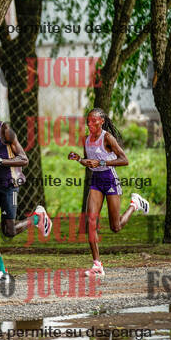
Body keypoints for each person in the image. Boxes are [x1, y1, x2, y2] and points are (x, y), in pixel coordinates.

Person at [0, 97, 52, 283]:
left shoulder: (5, 131)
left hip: (9, 186)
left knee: (9, 231)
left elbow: (24, 159)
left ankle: (37, 218)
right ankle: (1, 272)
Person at [68, 107, 149, 277]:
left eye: (94, 121)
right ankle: (97, 265)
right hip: (96, 181)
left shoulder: (107, 138)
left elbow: (124, 160)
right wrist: (79, 159)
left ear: (102, 121)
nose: (90, 124)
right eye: (88, 121)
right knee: (90, 222)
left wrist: (102, 163)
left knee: (116, 227)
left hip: (110, 179)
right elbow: (89, 162)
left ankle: (135, 204)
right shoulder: (86, 139)